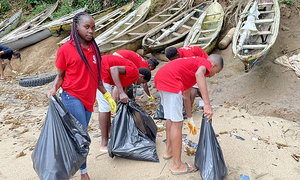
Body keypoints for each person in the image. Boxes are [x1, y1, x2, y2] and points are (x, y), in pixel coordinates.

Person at [47, 12, 116, 180]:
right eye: (87, 27)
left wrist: (108, 97)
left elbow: (98, 80)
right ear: (76, 26)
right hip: (71, 97)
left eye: (93, 27)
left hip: (88, 100)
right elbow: (60, 76)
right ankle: (83, 173)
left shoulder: (94, 50)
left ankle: (65, 164)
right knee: (81, 135)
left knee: (78, 136)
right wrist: (53, 90)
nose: (91, 31)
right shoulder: (65, 50)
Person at [154, 55, 223, 175]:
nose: (213, 74)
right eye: (216, 72)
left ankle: (169, 151)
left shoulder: (190, 68)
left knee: (170, 118)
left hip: (162, 78)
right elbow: (199, 75)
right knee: (177, 123)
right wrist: (207, 104)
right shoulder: (204, 63)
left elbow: (186, 96)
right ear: (214, 65)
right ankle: (177, 165)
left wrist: (190, 118)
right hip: (171, 81)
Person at [96, 54, 151, 152]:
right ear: (141, 76)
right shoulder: (134, 71)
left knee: (107, 107)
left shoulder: (131, 77)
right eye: (143, 82)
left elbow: (123, 86)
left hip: (102, 71)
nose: (140, 84)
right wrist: (121, 92)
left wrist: (123, 98)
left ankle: (109, 135)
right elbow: (113, 69)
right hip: (101, 72)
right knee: (104, 107)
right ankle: (104, 144)